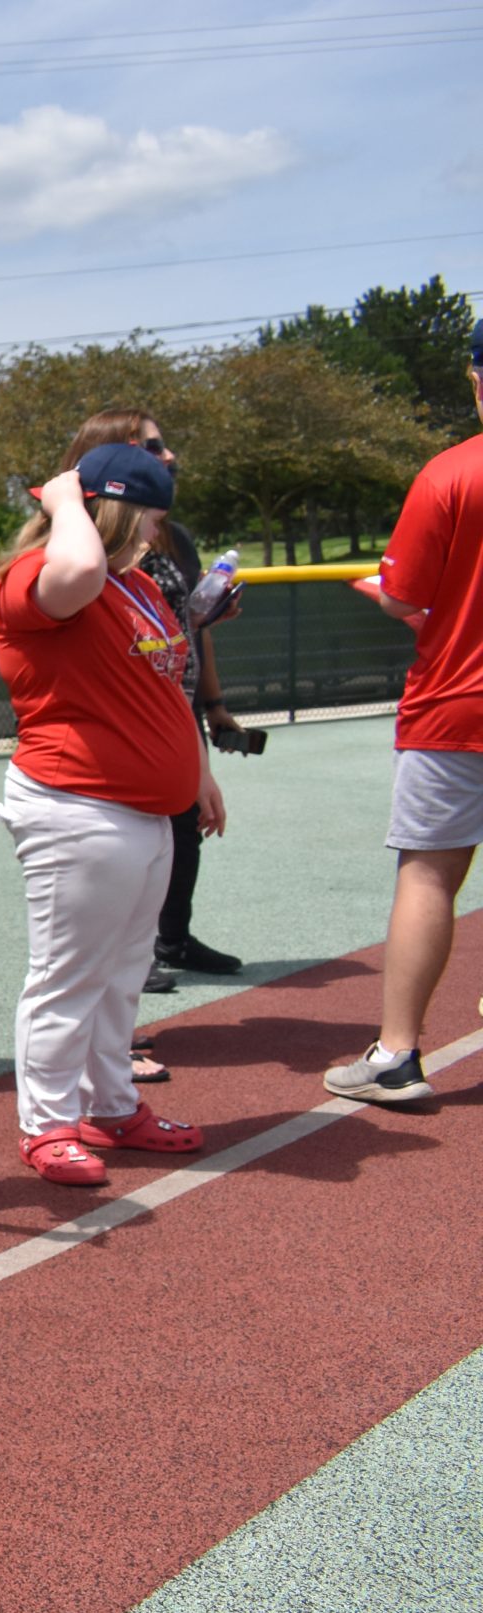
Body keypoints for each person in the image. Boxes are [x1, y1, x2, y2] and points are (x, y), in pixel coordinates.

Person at [0, 444, 225, 1187]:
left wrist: (201, 771)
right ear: (116, 512)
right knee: (68, 976)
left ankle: (112, 1106)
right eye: (151, 516)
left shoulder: (137, 587)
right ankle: (47, 1124)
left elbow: (166, 680)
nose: (159, 533)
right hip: (76, 807)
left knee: (123, 974)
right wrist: (64, 501)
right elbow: (77, 572)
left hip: (147, 814)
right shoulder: (41, 575)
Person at [325, 325, 483, 1103]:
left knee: (429, 871)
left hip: (456, 702)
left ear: (477, 377)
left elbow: (406, 595)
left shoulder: (451, 473)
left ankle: (397, 1053)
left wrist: (399, 606)